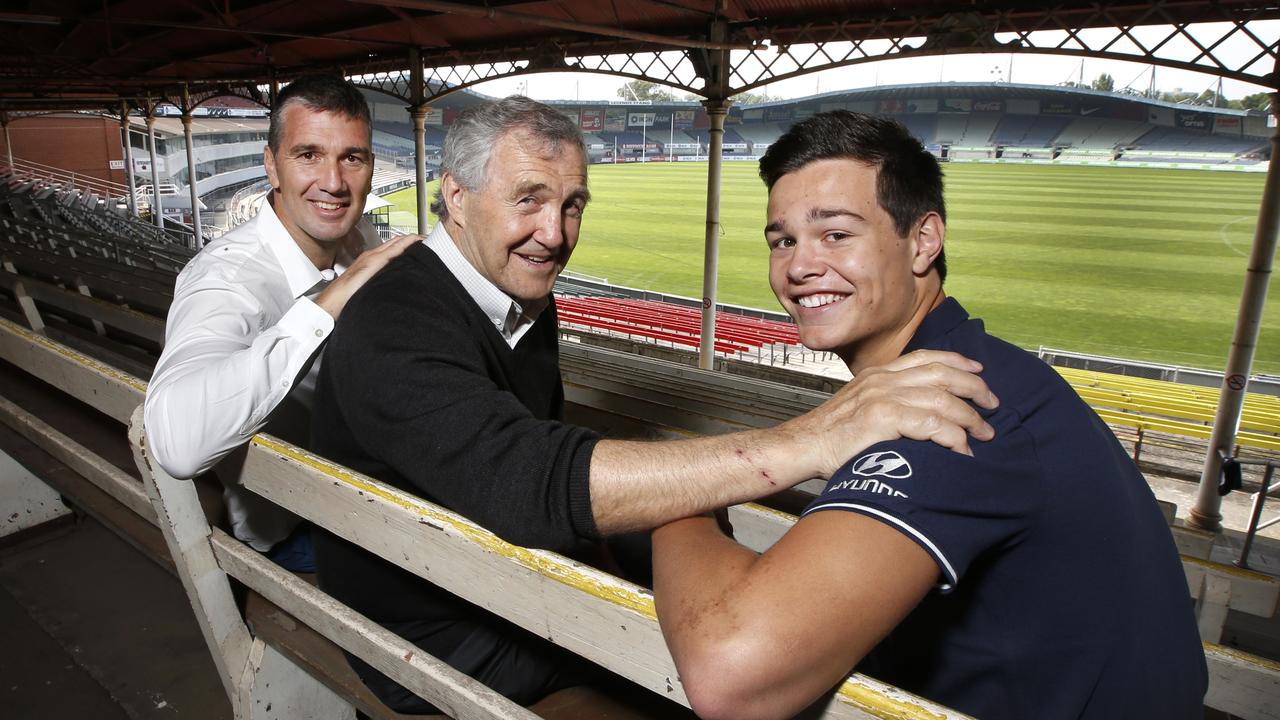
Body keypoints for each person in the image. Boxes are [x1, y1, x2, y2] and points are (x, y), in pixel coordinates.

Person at [310, 96, 1001, 713]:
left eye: (573, 203)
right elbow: (526, 482)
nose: (554, 233)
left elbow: (536, 466)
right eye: (528, 199)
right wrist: (810, 439)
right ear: (456, 198)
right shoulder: (396, 321)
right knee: (723, 660)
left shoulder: (515, 293)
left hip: (477, 582)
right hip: (435, 635)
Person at [651, 110, 1207, 720]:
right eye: (782, 240)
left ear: (923, 240)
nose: (798, 266)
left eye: (836, 234)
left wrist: (683, 497)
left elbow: (730, 678)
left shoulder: (950, 406)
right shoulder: (971, 370)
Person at [144, 74, 419, 570]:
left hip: (361, 485)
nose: (333, 182)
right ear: (272, 165)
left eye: (351, 158)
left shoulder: (356, 233)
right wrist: (326, 304)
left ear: (370, 167)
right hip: (301, 528)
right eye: (308, 155)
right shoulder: (226, 280)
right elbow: (175, 444)